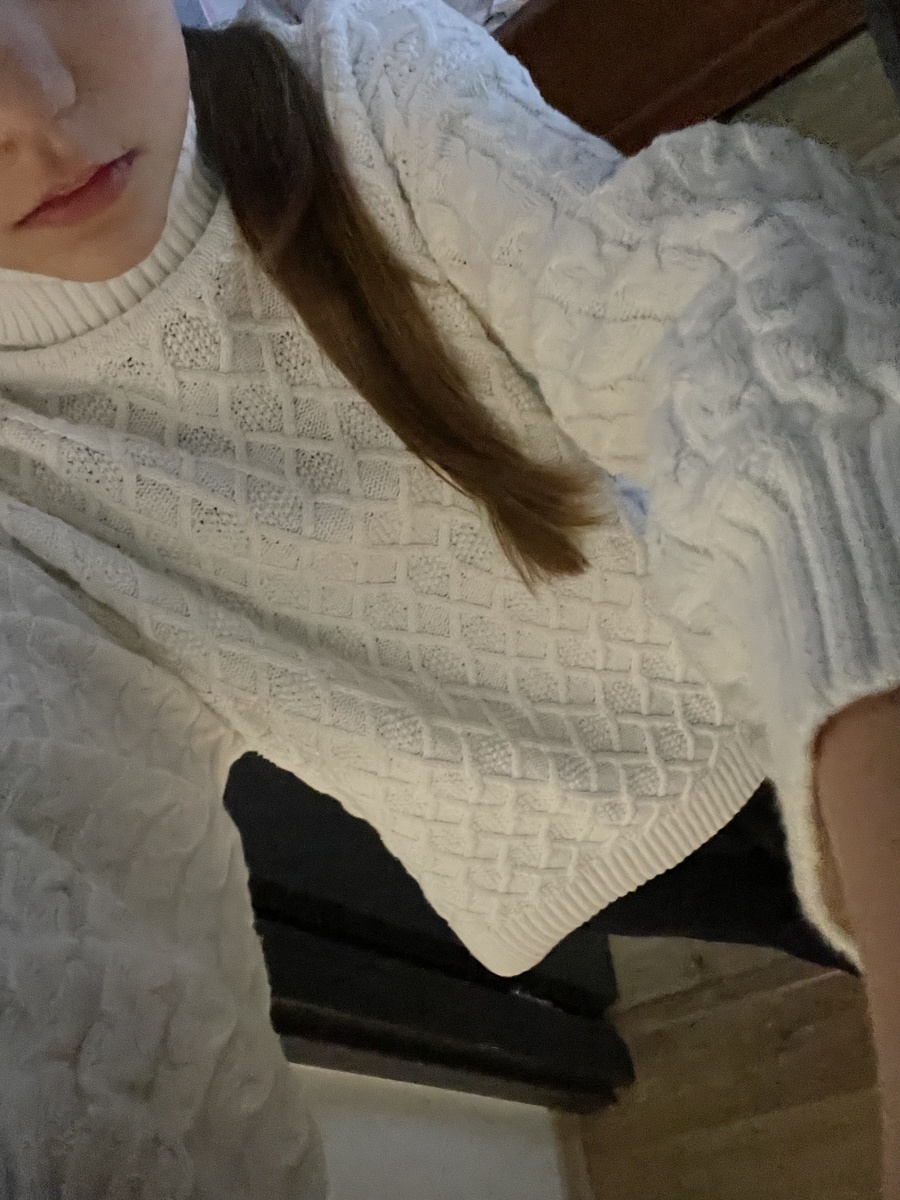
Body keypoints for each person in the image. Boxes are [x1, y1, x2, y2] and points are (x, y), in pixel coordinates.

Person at [1, 0, 899, 1193]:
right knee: (822, 931)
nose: (34, 103)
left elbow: (727, 296)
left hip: (761, 636)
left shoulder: (359, 77)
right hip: (590, 846)